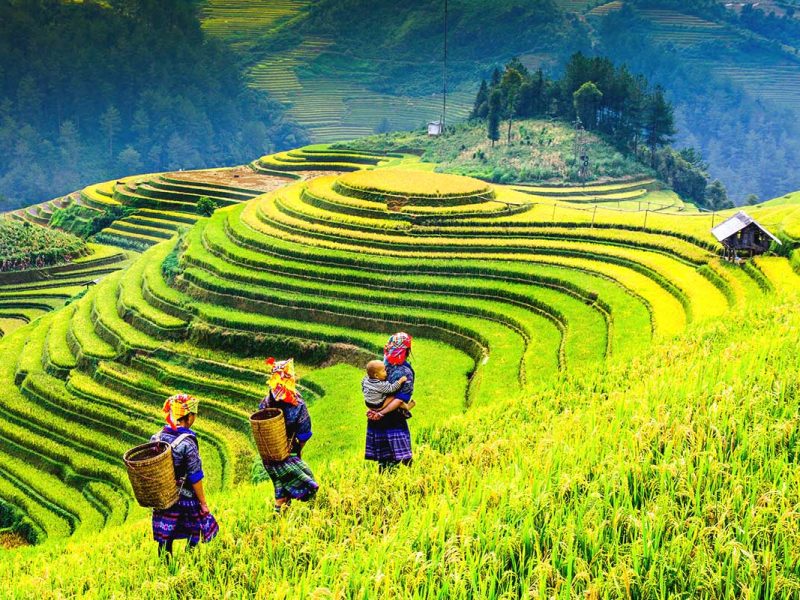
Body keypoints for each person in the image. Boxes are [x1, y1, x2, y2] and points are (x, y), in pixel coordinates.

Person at [151, 394, 218, 556]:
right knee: (195, 531)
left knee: (165, 537)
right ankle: (190, 558)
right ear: (188, 417)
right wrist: (203, 503)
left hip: (164, 496)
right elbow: (195, 475)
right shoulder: (187, 443)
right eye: (193, 415)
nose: (194, 418)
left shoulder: (156, 437)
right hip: (185, 495)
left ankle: (165, 565)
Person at [259, 357, 319, 512]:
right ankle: (314, 513)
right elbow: (304, 434)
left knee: (281, 489)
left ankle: (280, 520)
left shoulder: (266, 402)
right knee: (308, 481)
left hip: (269, 457)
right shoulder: (297, 404)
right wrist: (296, 450)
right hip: (288, 453)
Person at [365, 332, 415, 472]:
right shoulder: (405, 371)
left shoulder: (384, 364)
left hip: (376, 417)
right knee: (403, 457)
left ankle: (384, 483)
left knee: (383, 459)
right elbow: (400, 399)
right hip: (394, 417)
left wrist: (376, 411)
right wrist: (382, 412)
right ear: (407, 351)